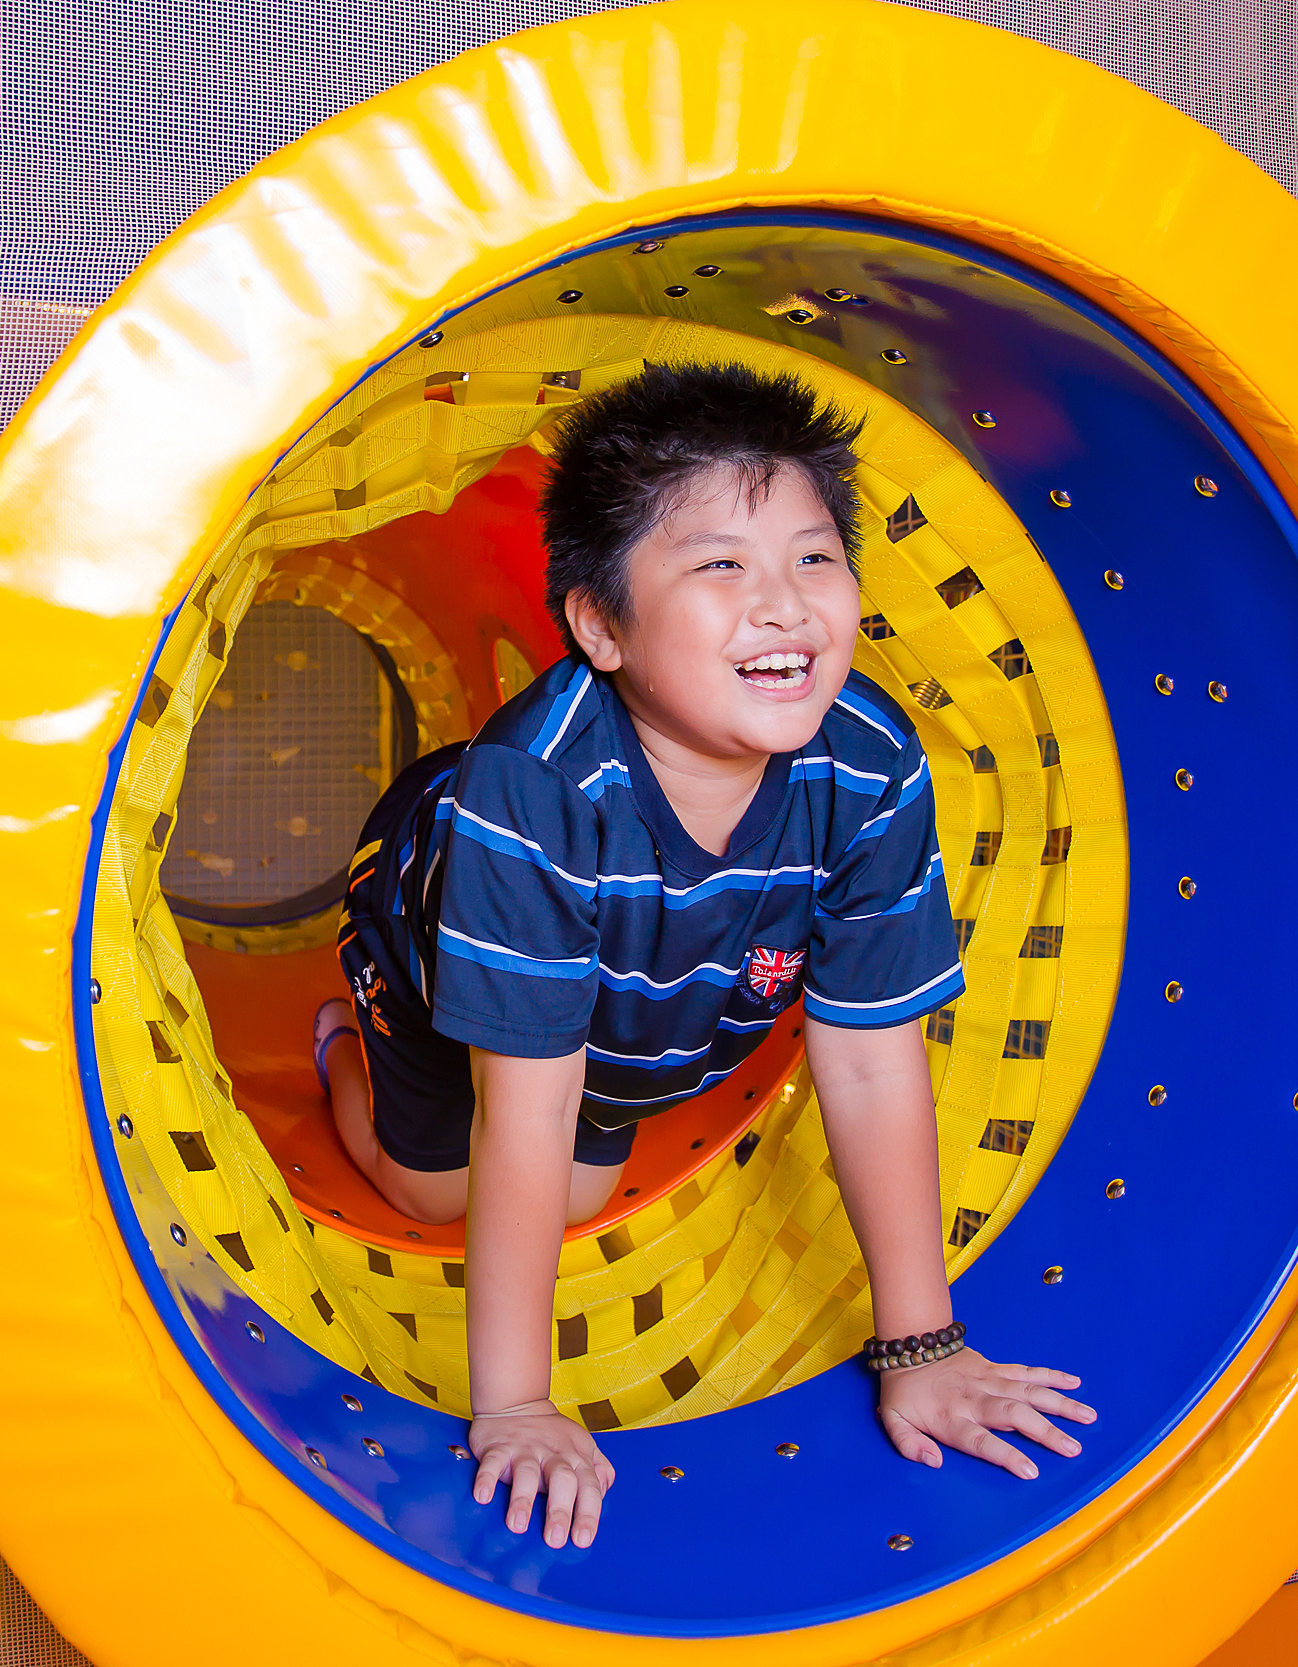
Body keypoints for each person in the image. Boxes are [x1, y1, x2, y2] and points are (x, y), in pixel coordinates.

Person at [309, 362, 1093, 1553]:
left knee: (583, 1179)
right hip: (427, 919)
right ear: (600, 626)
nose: (782, 604)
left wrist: (922, 1347)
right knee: (442, 1185)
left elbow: (874, 1064)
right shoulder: (534, 793)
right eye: (719, 564)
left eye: (813, 557)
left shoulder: (870, 764)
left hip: (628, 990)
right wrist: (517, 1404)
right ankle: (341, 1048)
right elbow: (524, 1111)